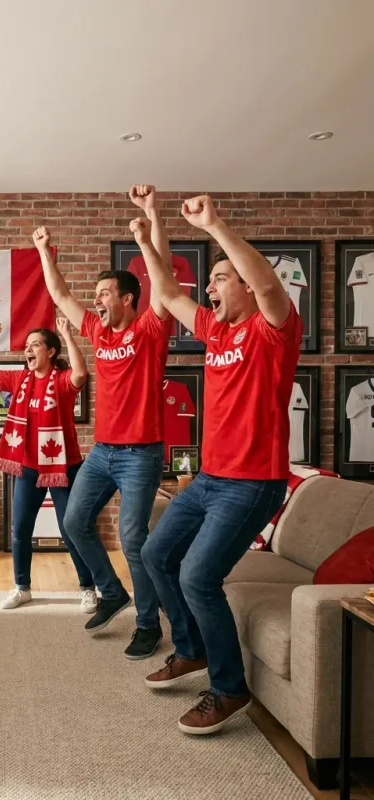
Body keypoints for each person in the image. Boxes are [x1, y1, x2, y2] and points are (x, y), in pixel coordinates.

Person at [131, 188, 301, 735]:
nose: (209, 288)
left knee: (199, 576)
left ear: (246, 286)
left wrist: (214, 225)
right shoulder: (215, 330)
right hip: (208, 479)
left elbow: (269, 285)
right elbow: (166, 291)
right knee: (155, 553)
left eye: (221, 279)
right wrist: (150, 227)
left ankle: (229, 689)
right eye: (209, 281)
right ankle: (192, 649)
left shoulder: (273, 329)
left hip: (252, 484)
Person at [33, 204, 174, 660]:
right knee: (74, 521)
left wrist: (148, 225)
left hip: (140, 454)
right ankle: (112, 592)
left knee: (132, 538)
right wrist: (44, 252)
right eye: (95, 294)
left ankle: (148, 624)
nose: (95, 300)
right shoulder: (98, 331)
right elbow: (59, 293)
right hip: (103, 451)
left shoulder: (151, 329)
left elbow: (165, 281)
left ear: (128, 299)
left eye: (105, 293)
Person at [0, 318, 96, 611]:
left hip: (63, 467)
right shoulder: (20, 379)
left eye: (35, 345)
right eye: (27, 346)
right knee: (20, 529)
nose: (28, 350)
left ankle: (88, 588)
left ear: (51, 351)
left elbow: (81, 373)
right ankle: (22, 587)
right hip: (28, 467)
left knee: (71, 529)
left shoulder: (62, 381)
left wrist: (67, 334)